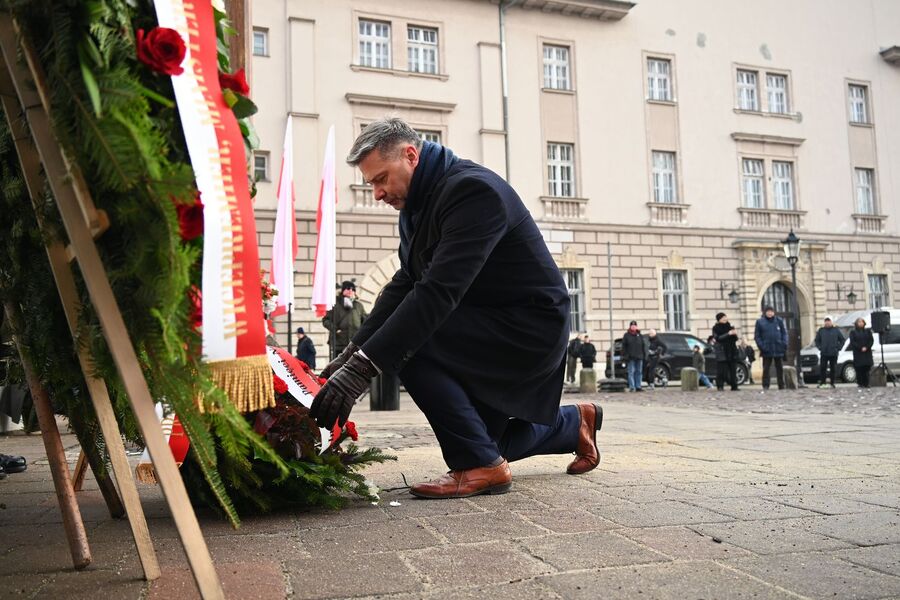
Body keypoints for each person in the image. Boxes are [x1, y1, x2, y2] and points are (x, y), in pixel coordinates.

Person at [309, 118, 603, 499]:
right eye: (372, 184)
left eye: (381, 179)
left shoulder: (472, 191)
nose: (378, 193)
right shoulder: (416, 206)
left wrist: (364, 368)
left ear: (410, 156)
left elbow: (435, 294)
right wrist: (351, 355)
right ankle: (575, 423)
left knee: (413, 341)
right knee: (486, 440)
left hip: (527, 327)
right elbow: (406, 283)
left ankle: (482, 467)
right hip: (485, 322)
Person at [322, 281, 368, 359]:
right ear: (343, 290)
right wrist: (335, 329)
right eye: (348, 288)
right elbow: (326, 320)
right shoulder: (334, 304)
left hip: (355, 343)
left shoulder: (358, 305)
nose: (351, 291)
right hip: (339, 343)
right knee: (337, 366)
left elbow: (365, 321)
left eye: (353, 289)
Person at [755, 305, 788, 390]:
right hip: (766, 348)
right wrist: (762, 346)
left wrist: (784, 343)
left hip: (778, 347)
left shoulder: (779, 321)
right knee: (766, 368)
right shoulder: (760, 322)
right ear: (765, 312)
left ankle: (781, 384)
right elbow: (757, 336)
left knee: (779, 368)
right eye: (768, 311)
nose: (770, 313)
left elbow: (784, 333)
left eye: (771, 311)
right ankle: (766, 385)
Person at [815, 316, 845, 388]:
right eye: (826, 321)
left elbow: (842, 340)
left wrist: (838, 348)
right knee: (823, 368)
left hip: (833, 353)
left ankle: (832, 382)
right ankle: (823, 382)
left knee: (833, 368)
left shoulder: (836, 330)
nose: (827, 322)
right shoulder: (821, 330)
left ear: (831, 322)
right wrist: (820, 347)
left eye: (829, 321)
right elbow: (817, 340)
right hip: (824, 352)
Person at [712, 312, 739, 391]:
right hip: (722, 351)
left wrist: (734, 333)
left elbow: (735, 339)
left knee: (733, 370)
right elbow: (718, 338)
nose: (724, 319)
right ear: (719, 319)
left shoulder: (730, 326)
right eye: (722, 318)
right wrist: (728, 334)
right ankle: (720, 386)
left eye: (725, 317)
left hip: (732, 350)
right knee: (721, 370)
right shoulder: (716, 328)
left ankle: (734, 386)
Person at [848, 317, 874, 388]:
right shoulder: (853, 332)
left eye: (862, 322)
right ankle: (860, 383)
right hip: (858, 353)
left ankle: (867, 383)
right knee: (859, 369)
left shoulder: (868, 331)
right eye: (859, 322)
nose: (860, 323)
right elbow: (853, 342)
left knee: (866, 368)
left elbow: (871, 340)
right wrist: (860, 347)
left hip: (867, 352)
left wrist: (867, 347)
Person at [621, 321, 646, 392]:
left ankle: (638, 386)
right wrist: (625, 356)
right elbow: (624, 347)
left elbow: (643, 346)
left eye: (635, 325)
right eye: (632, 325)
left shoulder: (639, 335)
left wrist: (644, 355)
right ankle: (632, 387)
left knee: (639, 372)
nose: (633, 327)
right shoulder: (626, 335)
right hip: (630, 357)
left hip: (639, 356)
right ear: (630, 326)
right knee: (631, 372)